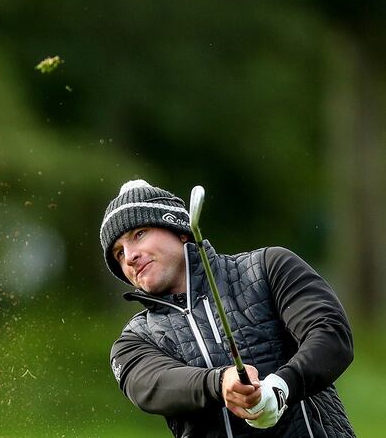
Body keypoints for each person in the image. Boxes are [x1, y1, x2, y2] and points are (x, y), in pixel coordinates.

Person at [100, 180, 355, 437]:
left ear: (180, 230)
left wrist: (282, 387)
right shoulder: (132, 342)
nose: (130, 256)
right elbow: (154, 385)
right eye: (119, 253)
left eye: (139, 234)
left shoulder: (268, 267)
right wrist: (221, 383)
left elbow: (331, 336)